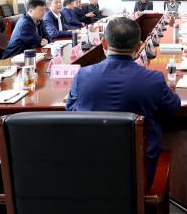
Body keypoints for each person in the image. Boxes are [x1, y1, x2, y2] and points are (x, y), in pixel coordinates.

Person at [65, 17, 180, 183]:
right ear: (139, 47)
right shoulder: (154, 79)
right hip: (140, 172)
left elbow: (71, 110)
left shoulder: (82, 75)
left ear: (104, 43)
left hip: (90, 169)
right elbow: (173, 106)